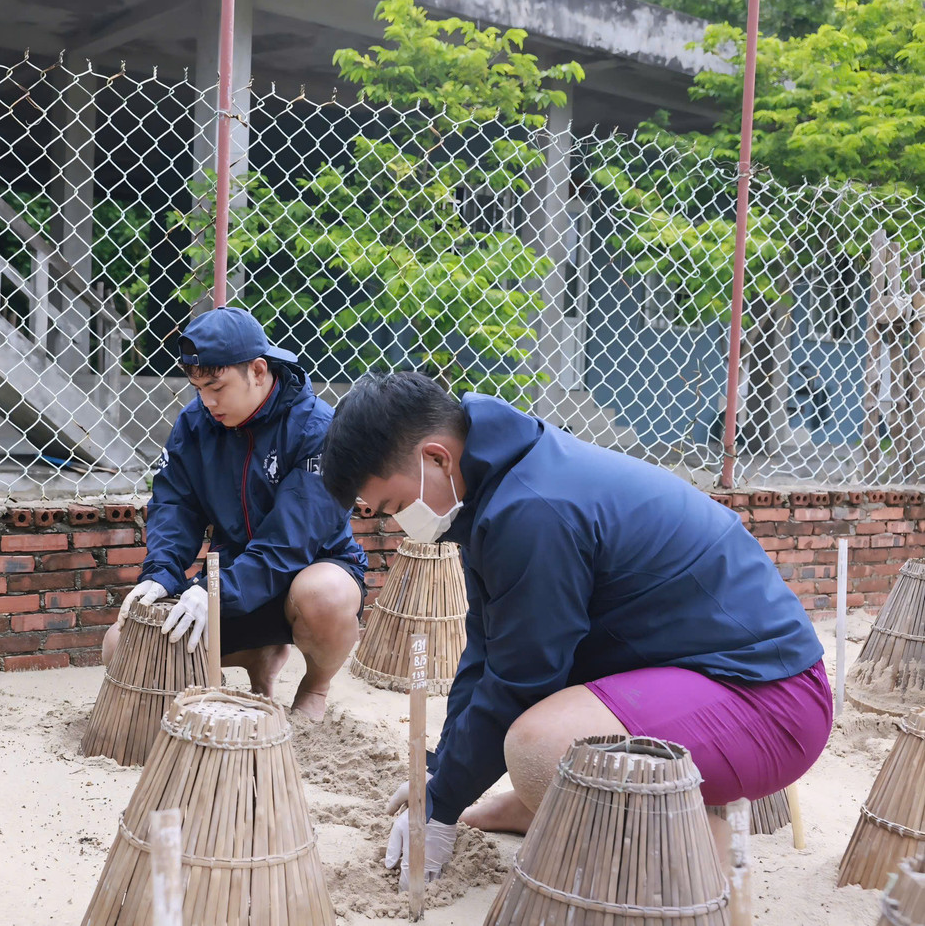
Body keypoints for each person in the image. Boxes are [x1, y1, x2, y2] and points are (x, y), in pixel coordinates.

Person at [318, 372, 830, 884]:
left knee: (540, 745)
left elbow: (522, 677)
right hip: (688, 676)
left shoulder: (532, 511)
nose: (395, 522)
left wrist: (443, 802)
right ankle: (537, 802)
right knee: (539, 744)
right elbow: (490, 648)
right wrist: (441, 772)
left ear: (435, 458)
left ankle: (687, 851)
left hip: (768, 703)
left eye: (393, 506)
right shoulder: (499, 486)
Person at [104, 306, 368, 721]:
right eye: (197, 389)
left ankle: (314, 689)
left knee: (326, 595)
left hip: (307, 572)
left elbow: (290, 542)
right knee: (118, 644)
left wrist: (216, 592)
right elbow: (175, 504)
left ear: (259, 371)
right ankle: (255, 664)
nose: (207, 403)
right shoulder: (196, 423)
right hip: (228, 574)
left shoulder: (317, 428)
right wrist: (161, 573)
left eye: (217, 387)